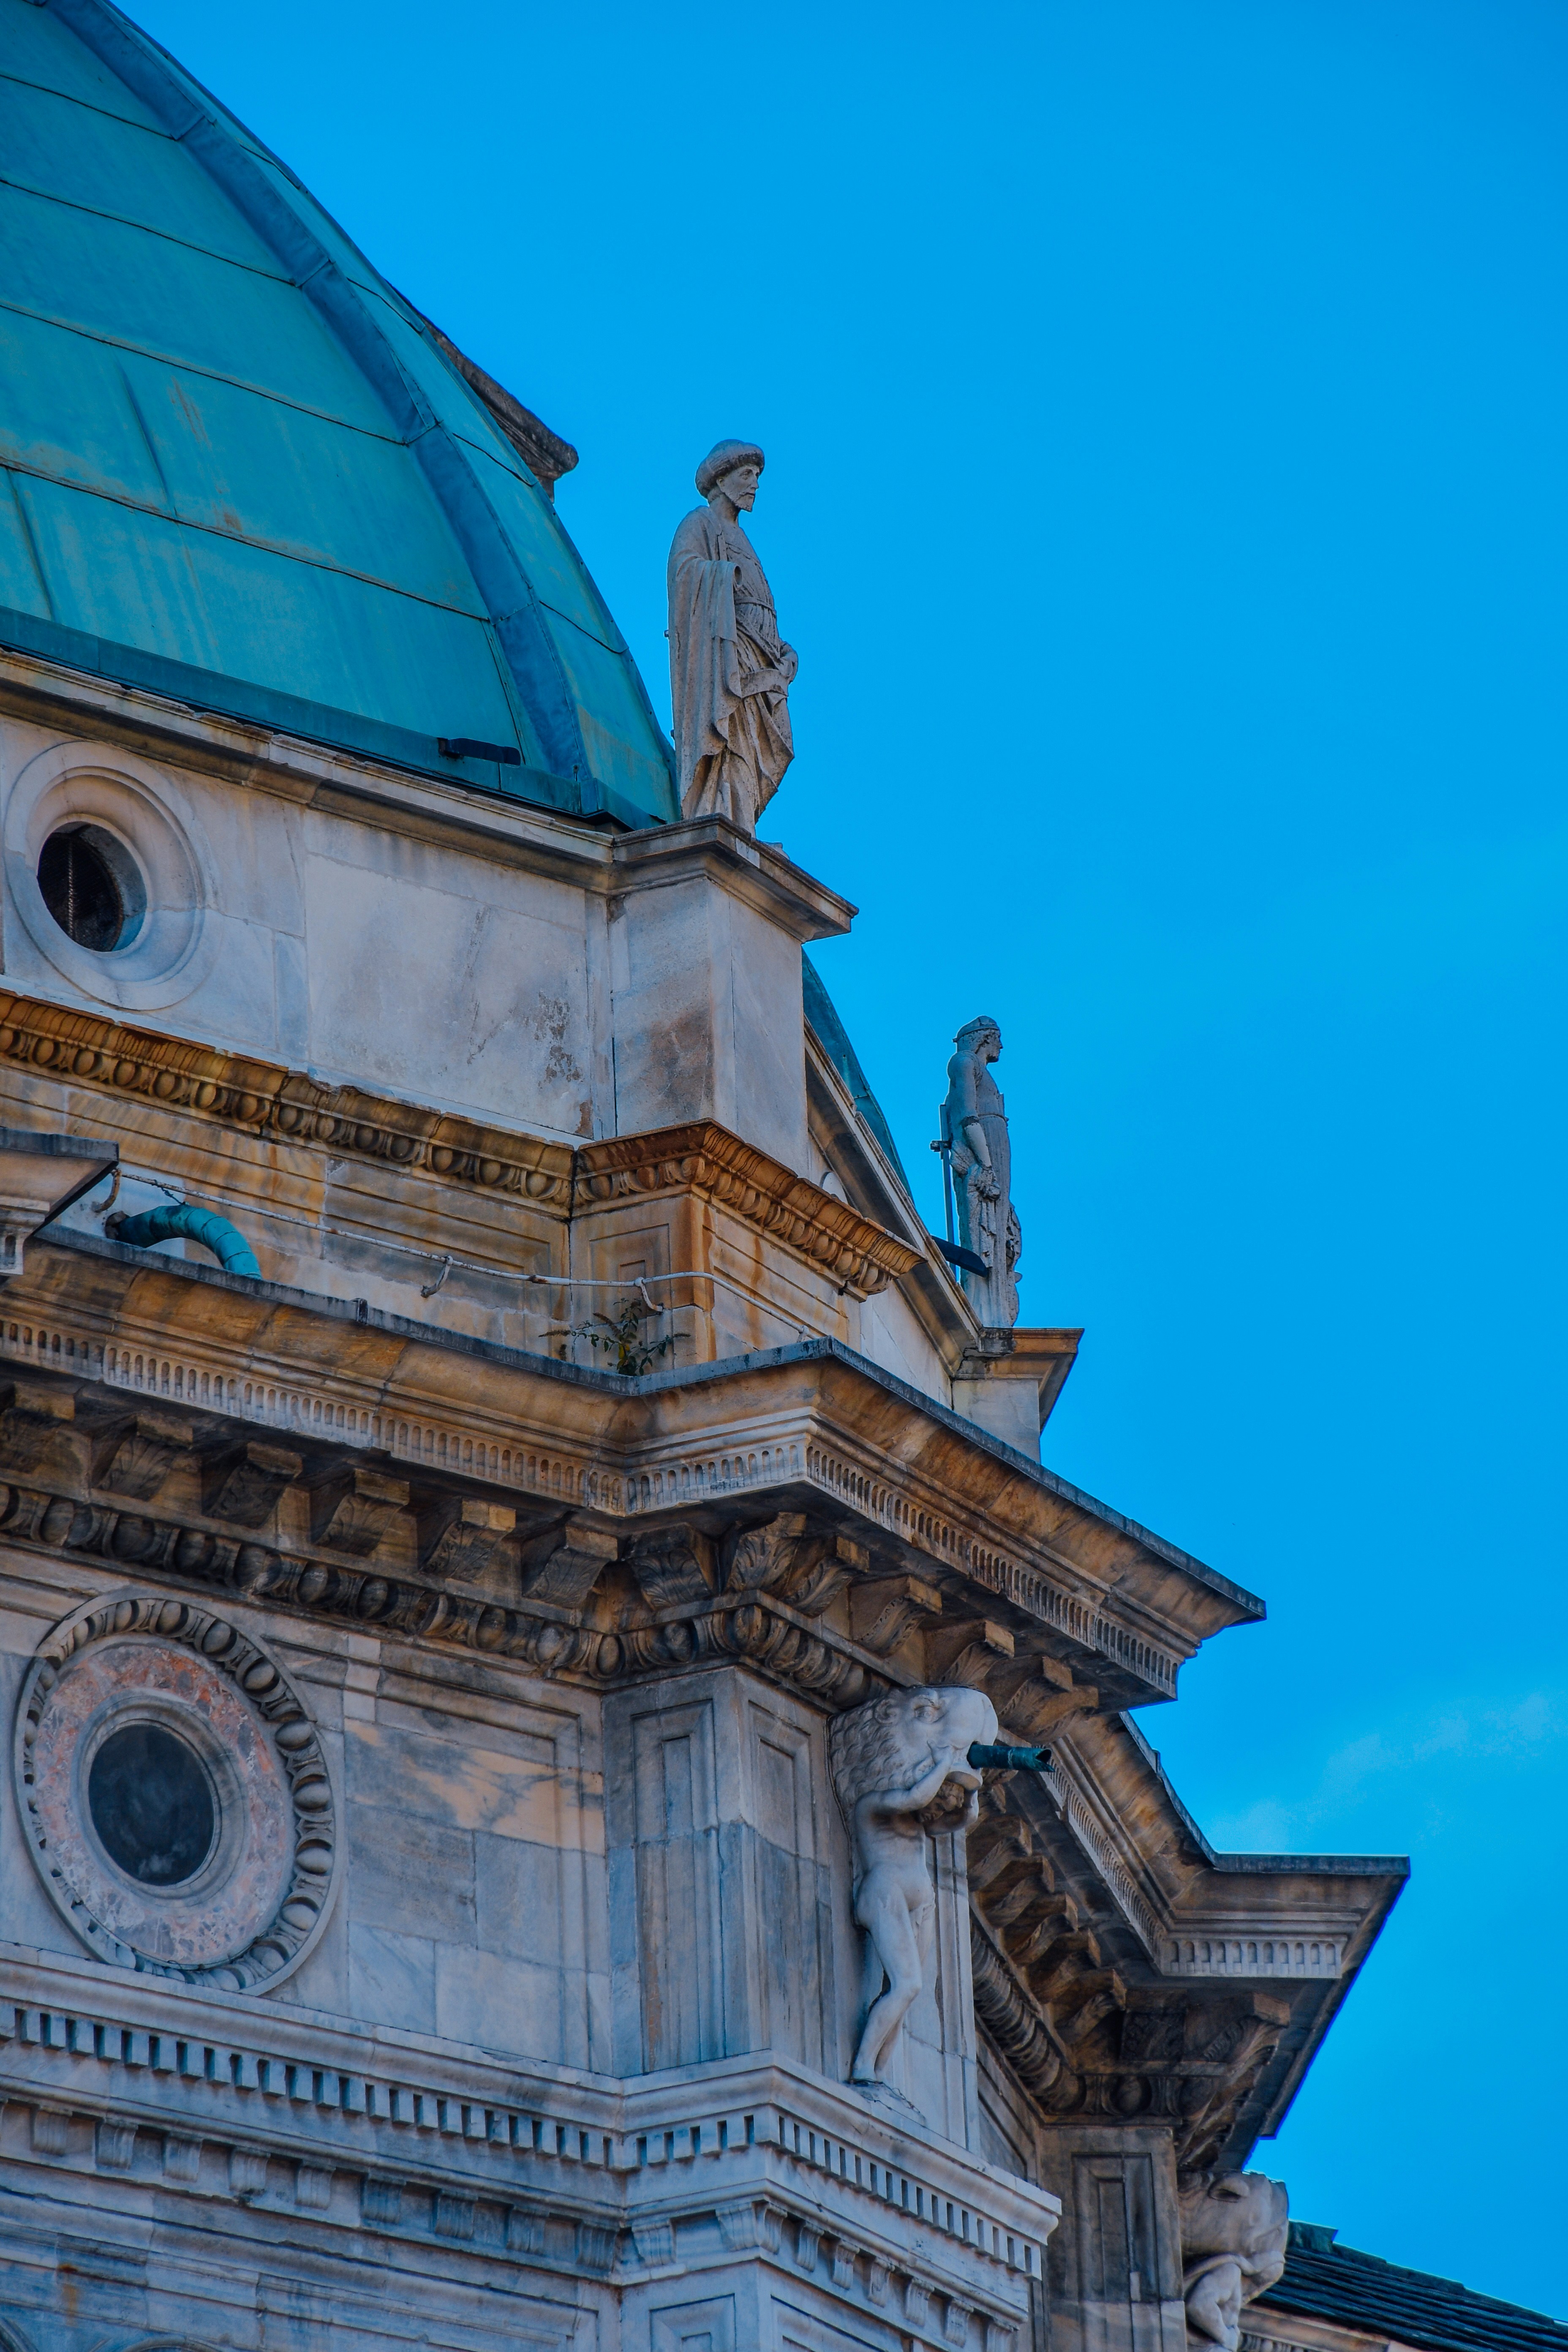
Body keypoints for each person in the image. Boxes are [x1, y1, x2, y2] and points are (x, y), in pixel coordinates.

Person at [667, 440, 798, 832]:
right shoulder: (700, 524)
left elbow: (762, 606)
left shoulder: (744, 539)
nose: (755, 483)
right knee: (732, 742)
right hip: (728, 654)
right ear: (721, 480)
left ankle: (744, 826)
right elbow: (683, 574)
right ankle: (727, 820)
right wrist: (726, 579)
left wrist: (784, 651)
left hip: (762, 658)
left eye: (757, 476)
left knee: (754, 750)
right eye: (746, 475)